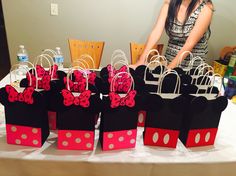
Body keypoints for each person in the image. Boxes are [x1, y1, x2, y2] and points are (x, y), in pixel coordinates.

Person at [131, 0, 214, 69]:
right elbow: (156, 31)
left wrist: (169, 69)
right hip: (170, 58)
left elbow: (190, 43)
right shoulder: (170, 3)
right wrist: (141, 60)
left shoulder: (206, 8)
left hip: (192, 66)